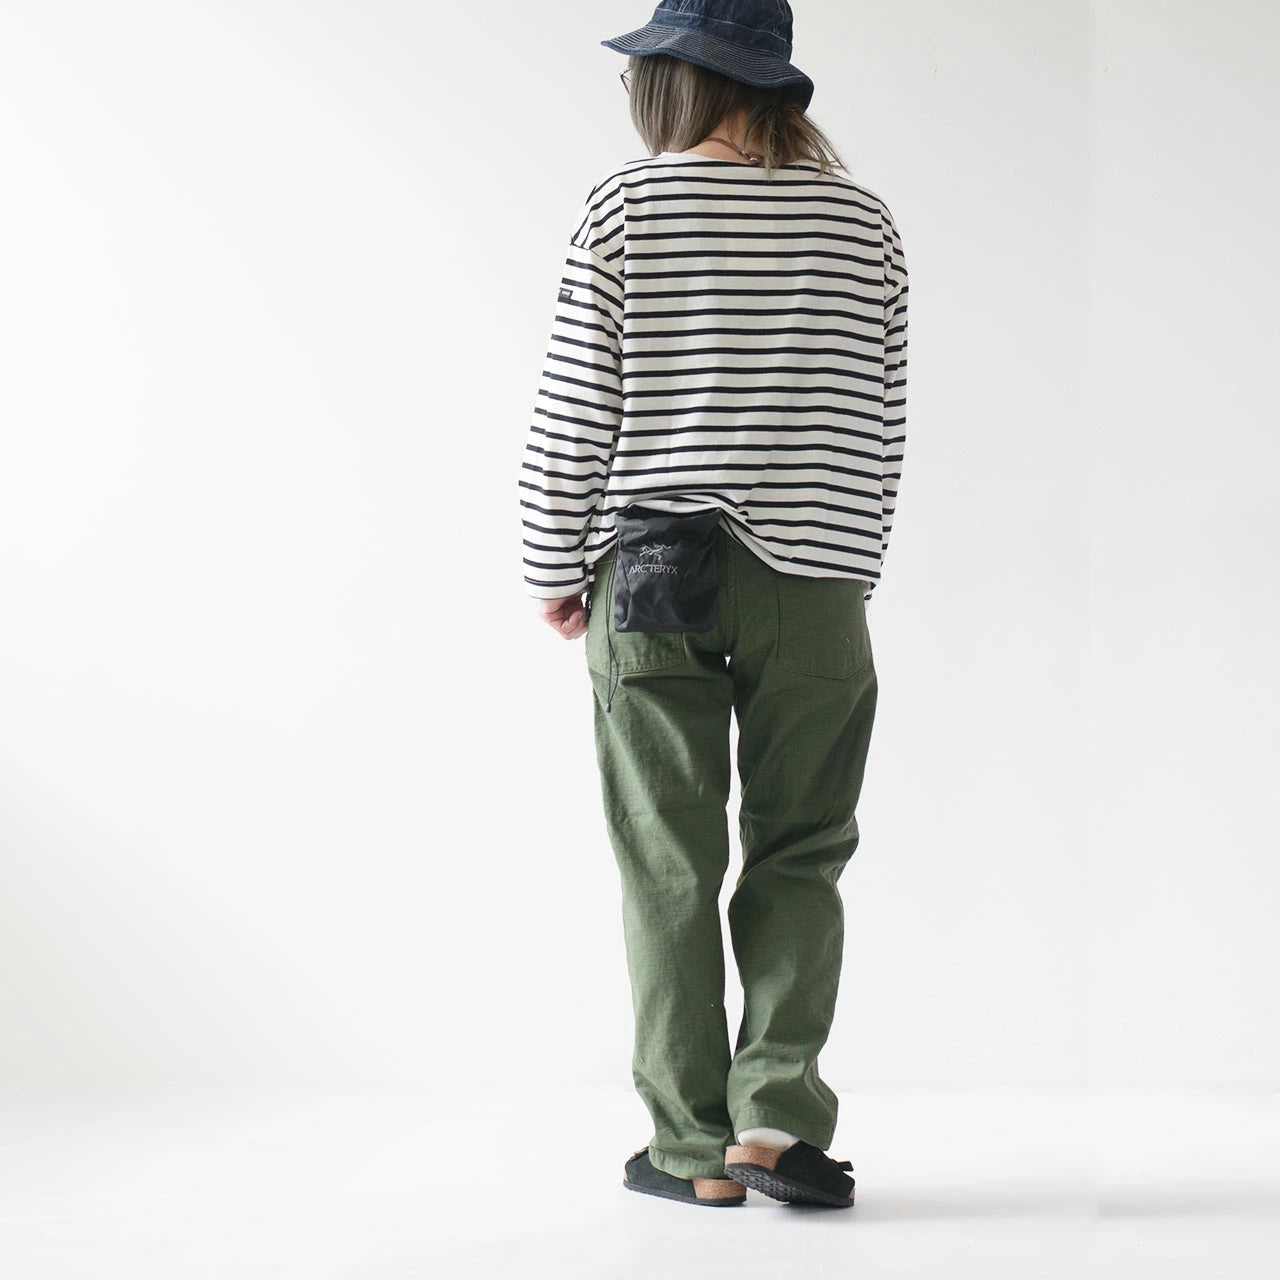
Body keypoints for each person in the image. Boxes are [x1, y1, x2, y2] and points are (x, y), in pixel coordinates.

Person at [518, 0, 908, 1210]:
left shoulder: (627, 205)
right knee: (802, 848)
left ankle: (689, 1147)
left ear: (678, 79)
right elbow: (881, 418)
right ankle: (773, 1121)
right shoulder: (862, 221)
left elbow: (575, 404)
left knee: (666, 860)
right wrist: (845, 571)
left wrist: (550, 563)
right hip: (816, 584)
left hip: (651, 575)